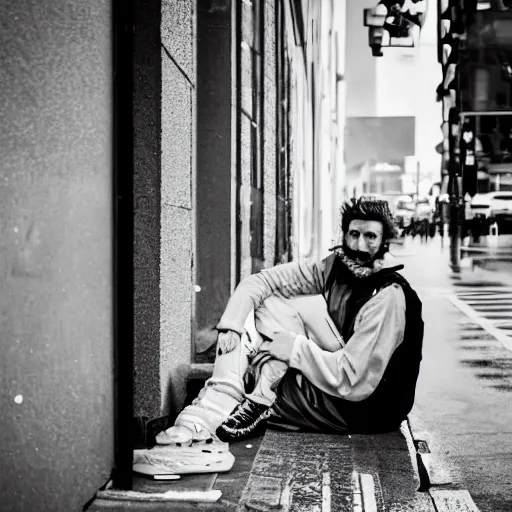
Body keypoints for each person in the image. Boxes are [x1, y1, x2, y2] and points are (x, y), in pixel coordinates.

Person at [156, 197, 424, 446]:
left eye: (370, 237)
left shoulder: (389, 297)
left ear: (384, 242)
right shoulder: (335, 269)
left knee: (257, 374)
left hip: (359, 408)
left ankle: (201, 421)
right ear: (344, 235)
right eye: (354, 234)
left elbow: (351, 380)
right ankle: (238, 399)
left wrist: (293, 348)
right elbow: (261, 281)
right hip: (331, 373)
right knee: (266, 301)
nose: (359, 246)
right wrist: (231, 327)